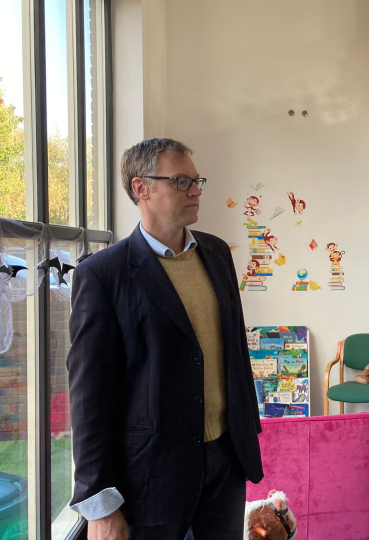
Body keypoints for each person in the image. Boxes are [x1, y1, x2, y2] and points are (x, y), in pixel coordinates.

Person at [67, 138, 263, 540]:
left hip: (226, 461)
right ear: (142, 189)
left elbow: (233, 352)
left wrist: (245, 438)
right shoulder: (104, 274)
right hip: (151, 475)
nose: (196, 190)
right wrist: (100, 503)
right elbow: (89, 397)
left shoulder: (217, 253)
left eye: (196, 180)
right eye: (181, 181)